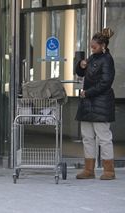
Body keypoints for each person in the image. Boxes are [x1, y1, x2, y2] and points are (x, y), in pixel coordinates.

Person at [75, 28, 116, 180]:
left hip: (101, 103)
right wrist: (81, 65)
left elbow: (106, 82)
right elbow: (80, 73)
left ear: (103, 46)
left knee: (104, 138)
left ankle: (109, 171)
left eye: (94, 46)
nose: (92, 48)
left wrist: (88, 92)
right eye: (91, 46)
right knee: (87, 137)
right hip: (87, 104)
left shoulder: (107, 59)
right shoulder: (92, 58)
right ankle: (89, 169)